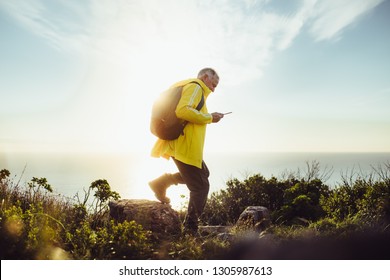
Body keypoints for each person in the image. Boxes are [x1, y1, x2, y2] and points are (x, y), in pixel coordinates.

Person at [149, 67, 224, 235]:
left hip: (181, 144)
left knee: (203, 174)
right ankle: (190, 229)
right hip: (183, 144)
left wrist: (209, 116)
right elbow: (182, 110)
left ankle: (162, 182)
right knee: (200, 187)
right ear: (205, 77)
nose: (214, 89)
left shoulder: (188, 86)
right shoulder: (196, 86)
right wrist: (210, 117)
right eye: (214, 84)